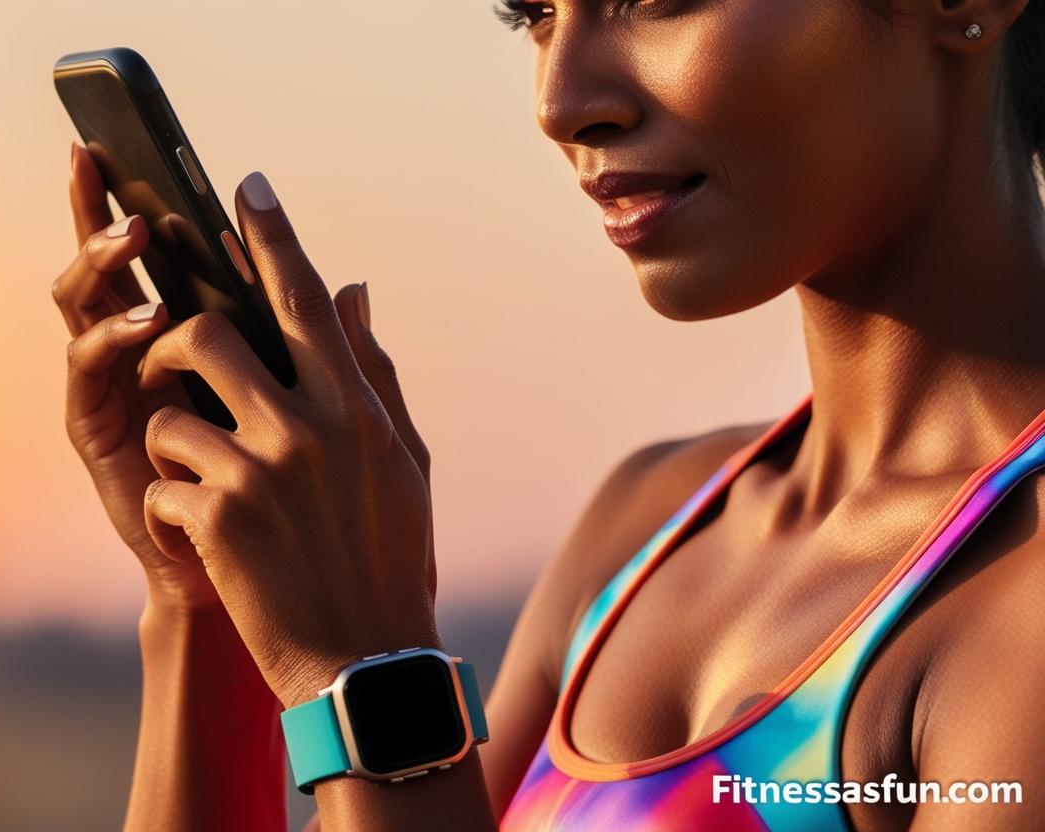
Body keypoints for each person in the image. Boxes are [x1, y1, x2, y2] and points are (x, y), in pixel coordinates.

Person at [51, 0, 1045, 829]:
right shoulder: (643, 525)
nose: (558, 101)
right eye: (534, 12)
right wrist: (210, 596)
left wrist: (369, 675)